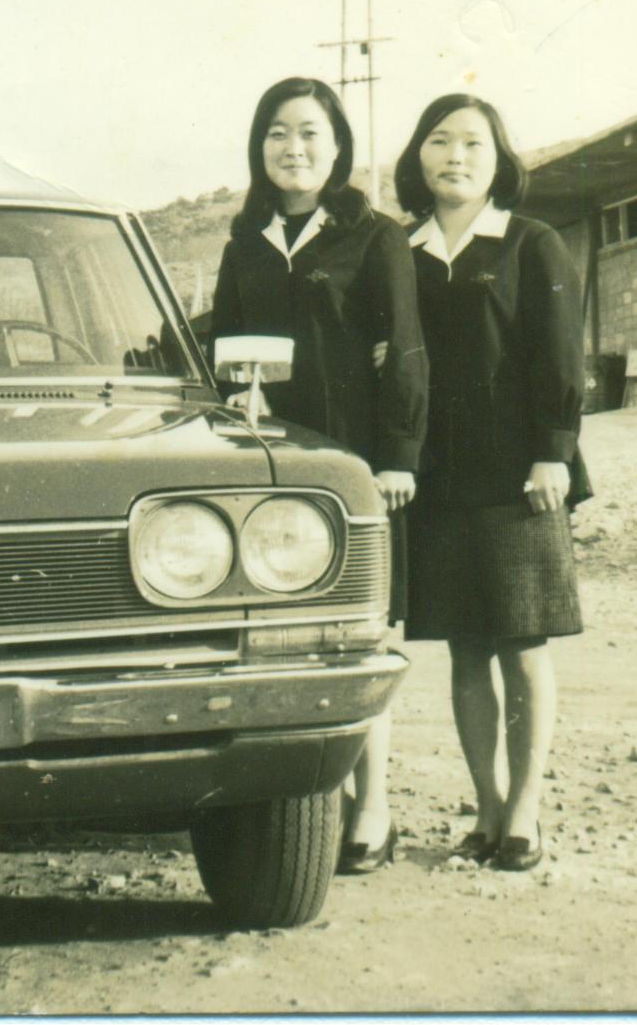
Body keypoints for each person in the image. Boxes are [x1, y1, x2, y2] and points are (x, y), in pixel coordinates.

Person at [210, 76, 426, 875]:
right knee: (277, 637)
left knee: (356, 636)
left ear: (337, 148)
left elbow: (405, 350)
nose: (292, 148)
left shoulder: (375, 238)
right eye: (277, 132)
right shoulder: (245, 241)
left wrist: (397, 458)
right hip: (266, 471)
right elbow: (223, 349)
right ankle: (290, 807)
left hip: (353, 467)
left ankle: (372, 809)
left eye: (309, 133)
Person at [393, 92, 588, 873]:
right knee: (465, 648)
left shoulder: (531, 244)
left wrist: (554, 452)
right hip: (437, 480)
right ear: (418, 157)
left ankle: (526, 809)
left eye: (473, 143)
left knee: (522, 642)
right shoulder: (400, 252)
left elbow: (561, 355)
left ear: (499, 159)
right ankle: (486, 804)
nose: (455, 157)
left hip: (518, 477)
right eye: (440, 141)